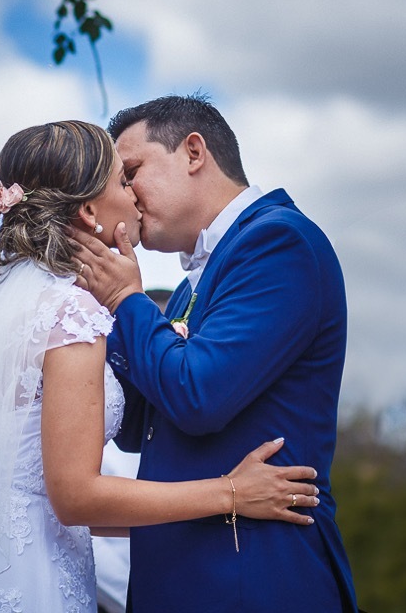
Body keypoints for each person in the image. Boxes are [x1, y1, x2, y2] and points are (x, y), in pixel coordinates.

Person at [0, 120, 322, 613]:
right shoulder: (71, 312)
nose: (133, 196)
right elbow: (74, 497)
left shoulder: (16, 306)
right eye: (123, 180)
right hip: (30, 573)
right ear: (89, 211)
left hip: (3, 560)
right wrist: (229, 494)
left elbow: (60, 496)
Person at [72, 95, 360, 612]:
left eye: (131, 173)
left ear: (193, 152)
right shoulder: (189, 286)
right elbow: (138, 429)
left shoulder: (280, 243)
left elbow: (197, 396)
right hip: (181, 579)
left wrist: (126, 299)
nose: (127, 196)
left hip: (252, 578)